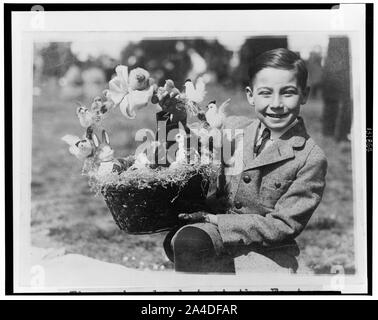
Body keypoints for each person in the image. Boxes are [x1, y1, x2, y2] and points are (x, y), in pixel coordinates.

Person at [163, 48, 328, 274]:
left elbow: (282, 225)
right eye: (266, 93)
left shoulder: (310, 157)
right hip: (214, 237)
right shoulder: (232, 128)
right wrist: (172, 118)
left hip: (264, 254)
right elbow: (183, 154)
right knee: (188, 240)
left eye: (288, 93)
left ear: (305, 94)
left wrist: (213, 220)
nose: (277, 104)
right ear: (251, 95)